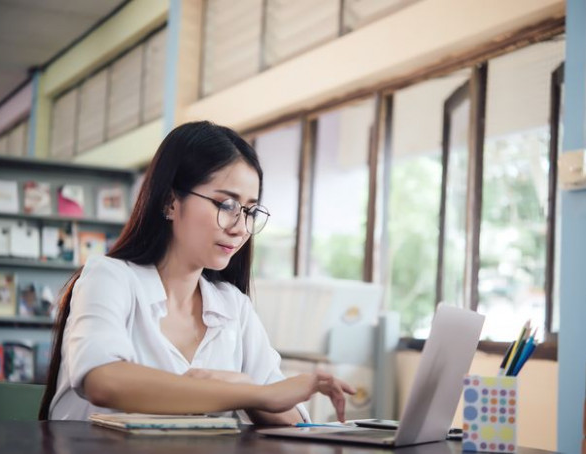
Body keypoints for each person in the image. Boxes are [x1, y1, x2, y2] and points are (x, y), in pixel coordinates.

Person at [39, 121, 355, 423]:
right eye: (226, 204)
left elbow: (293, 419)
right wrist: (244, 392)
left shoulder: (233, 306)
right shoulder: (109, 278)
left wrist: (245, 387)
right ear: (169, 202)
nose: (241, 228)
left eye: (249, 211)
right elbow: (103, 380)